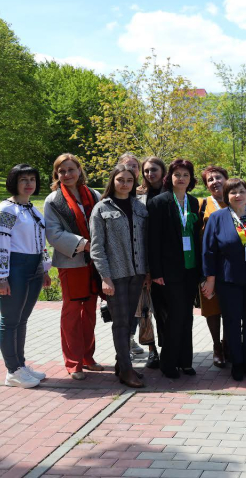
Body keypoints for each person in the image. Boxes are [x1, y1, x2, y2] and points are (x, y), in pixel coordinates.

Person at [0, 164, 52, 388]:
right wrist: (0, 278)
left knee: (22, 320)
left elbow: (41, 242)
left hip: (33, 269)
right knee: (10, 320)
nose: (28, 184)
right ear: (14, 181)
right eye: (23, 179)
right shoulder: (6, 209)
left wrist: (44, 269)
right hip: (14, 269)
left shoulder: (33, 210)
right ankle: (12, 370)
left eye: (32, 179)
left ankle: (21, 365)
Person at [201, 178, 246, 382]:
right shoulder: (217, 217)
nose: (237, 195)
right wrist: (210, 280)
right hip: (228, 279)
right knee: (231, 322)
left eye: (241, 191)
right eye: (233, 192)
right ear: (227, 196)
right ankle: (236, 362)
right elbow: (209, 250)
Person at [44, 153, 103, 380]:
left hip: (94, 262)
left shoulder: (94, 195)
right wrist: (84, 244)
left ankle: (88, 357)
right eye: (62, 171)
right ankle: (73, 362)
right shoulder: (53, 200)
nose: (67, 175)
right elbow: (54, 233)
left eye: (71, 169)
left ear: (79, 170)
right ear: (56, 174)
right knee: (72, 312)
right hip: (71, 262)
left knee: (89, 312)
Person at [89, 165, 148, 388]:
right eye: (120, 180)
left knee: (130, 320)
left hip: (137, 273)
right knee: (121, 323)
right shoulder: (101, 209)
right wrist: (105, 277)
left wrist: (147, 272)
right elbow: (97, 247)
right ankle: (126, 370)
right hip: (116, 275)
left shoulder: (140, 207)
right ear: (113, 181)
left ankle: (121, 363)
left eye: (129, 180)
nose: (125, 184)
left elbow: (145, 241)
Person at [147, 159, 202, 379]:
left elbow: (196, 238)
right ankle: (169, 362)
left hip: (190, 269)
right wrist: (156, 271)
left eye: (185, 175)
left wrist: (200, 271)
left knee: (186, 316)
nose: (181, 178)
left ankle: (185, 361)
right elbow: (153, 240)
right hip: (168, 272)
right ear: (169, 178)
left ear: (191, 179)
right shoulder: (159, 202)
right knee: (174, 317)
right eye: (177, 174)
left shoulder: (194, 202)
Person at [198, 165, 230, 369]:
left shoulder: (235, 200)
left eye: (218, 177)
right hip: (208, 265)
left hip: (231, 266)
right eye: (210, 180)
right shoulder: (201, 204)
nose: (215, 182)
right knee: (212, 308)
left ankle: (229, 345)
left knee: (231, 308)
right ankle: (216, 346)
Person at [135, 156, 165, 369]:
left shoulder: (171, 194)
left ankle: (168, 347)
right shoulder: (138, 197)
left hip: (167, 262)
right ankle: (152, 350)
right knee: (146, 310)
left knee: (165, 309)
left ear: (163, 171)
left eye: (154, 169)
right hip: (143, 260)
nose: (149, 174)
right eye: (145, 171)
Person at [117, 153, 146, 358]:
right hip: (121, 264)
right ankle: (125, 345)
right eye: (127, 166)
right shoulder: (114, 196)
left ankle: (137, 339)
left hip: (141, 262)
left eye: (135, 166)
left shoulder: (144, 196)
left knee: (141, 306)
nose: (132, 169)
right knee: (124, 309)